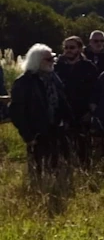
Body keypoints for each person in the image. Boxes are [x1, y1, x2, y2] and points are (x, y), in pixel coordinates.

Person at [10, 44, 71, 177]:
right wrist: (28, 135)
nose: (52, 62)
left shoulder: (54, 77)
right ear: (37, 61)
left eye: (53, 59)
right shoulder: (24, 82)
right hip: (37, 132)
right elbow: (17, 111)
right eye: (48, 60)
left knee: (57, 168)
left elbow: (61, 101)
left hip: (56, 129)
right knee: (38, 170)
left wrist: (66, 120)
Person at [54, 36, 99, 166]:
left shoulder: (89, 67)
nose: (68, 50)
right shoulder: (57, 67)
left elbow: (96, 91)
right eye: (66, 47)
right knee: (63, 147)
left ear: (79, 49)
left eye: (72, 47)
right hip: (62, 113)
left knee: (83, 147)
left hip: (83, 112)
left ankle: (84, 173)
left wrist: (91, 111)